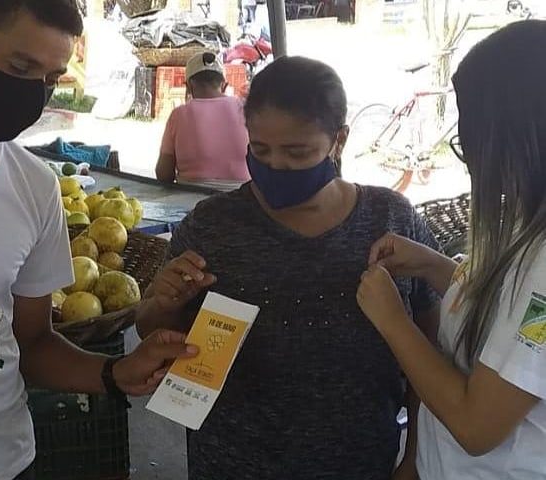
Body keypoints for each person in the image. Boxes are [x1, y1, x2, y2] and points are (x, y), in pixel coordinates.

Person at [0, 1, 197, 479]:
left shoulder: (34, 185)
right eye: (19, 67)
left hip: (6, 461)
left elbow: (33, 342)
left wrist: (116, 372)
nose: (32, 94)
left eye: (49, 79)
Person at [138, 56, 440, 480]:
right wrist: (164, 304)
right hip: (230, 462)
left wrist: (415, 459)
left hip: (361, 461)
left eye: (297, 152)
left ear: (338, 140)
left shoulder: (391, 221)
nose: (276, 166)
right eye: (260, 149)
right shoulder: (211, 226)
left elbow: (432, 351)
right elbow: (150, 330)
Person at [357, 20, 546, 479]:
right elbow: (508, 306)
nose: (471, 165)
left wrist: (394, 322)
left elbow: (475, 426)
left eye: (471, 144)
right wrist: (436, 267)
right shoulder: (529, 212)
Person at [156, 51, 250, 191]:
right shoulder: (245, 109)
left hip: (191, 195)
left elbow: (164, 173)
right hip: (240, 193)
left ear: (189, 86)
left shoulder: (178, 115)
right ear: (224, 85)